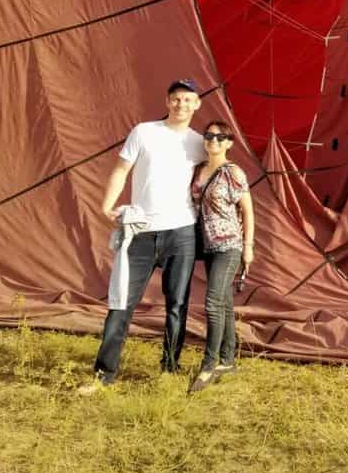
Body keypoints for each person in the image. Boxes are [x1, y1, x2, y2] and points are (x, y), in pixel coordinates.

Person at [80, 79, 207, 392]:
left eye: (188, 100)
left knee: (177, 304)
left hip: (181, 231)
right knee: (120, 302)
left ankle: (169, 368)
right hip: (140, 231)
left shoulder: (199, 143)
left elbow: (215, 177)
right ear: (167, 101)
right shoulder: (144, 132)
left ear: (197, 105)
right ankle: (103, 375)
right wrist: (106, 204)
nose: (181, 105)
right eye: (176, 99)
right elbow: (122, 169)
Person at [188, 120, 255, 394]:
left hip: (229, 245)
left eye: (220, 137)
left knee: (213, 301)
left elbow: (248, 211)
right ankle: (228, 360)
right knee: (224, 302)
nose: (213, 140)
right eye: (209, 136)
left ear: (229, 142)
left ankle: (209, 364)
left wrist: (248, 246)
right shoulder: (197, 170)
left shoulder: (233, 172)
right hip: (207, 246)